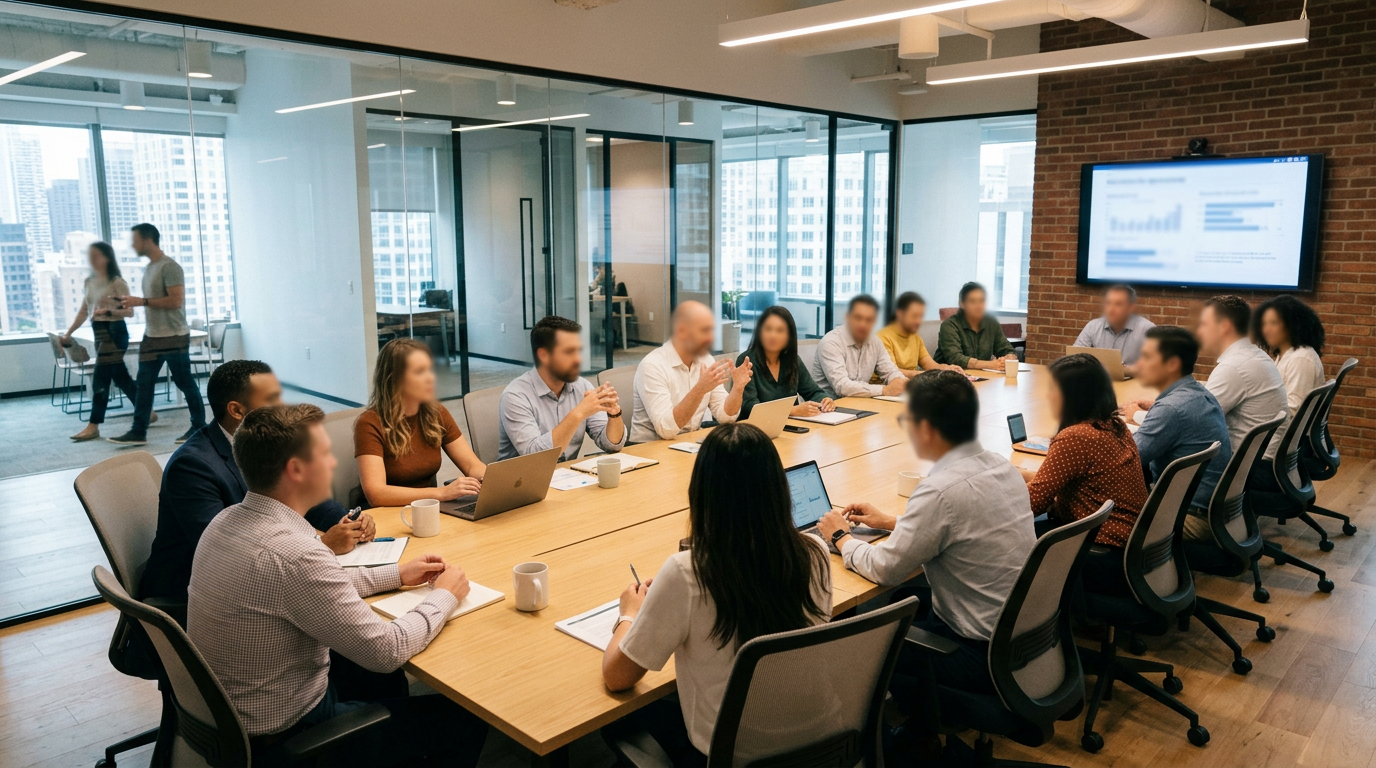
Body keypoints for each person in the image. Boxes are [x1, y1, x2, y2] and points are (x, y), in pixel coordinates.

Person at [188, 404, 487, 766]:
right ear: (296, 470)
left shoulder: (227, 520)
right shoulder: (295, 555)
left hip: (235, 716)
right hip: (290, 736)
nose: (332, 464)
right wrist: (444, 596)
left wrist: (398, 574)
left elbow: (314, 583)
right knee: (467, 714)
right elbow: (387, 651)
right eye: (325, 454)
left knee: (381, 682)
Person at [600, 422, 832, 765]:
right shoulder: (815, 552)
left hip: (731, 756)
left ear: (701, 493)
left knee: (619, 723)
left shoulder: (687, 572)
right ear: (779, 487)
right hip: (819, 743)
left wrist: (628, 614)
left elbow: (617, 677)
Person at [816, 371, 1034, 703]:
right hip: (1019, 639)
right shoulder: (1001, 466)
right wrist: (892, 521)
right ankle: (921, 730)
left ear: (927, 429)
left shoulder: (939, 491)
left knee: (857, 643)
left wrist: (841, 537)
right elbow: (961, 524)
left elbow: (885, 569)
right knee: (899, 602)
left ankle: (884, 737)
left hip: (976, 655)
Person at [140, 359, 372, 603]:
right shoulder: (192, 466)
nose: (282, 407)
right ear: (237, 411)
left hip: (267, 575)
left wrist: (348, 522)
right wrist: (321, 543)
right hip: (198, 597)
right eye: (271, 400)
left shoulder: (272, 443)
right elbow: (224, 552)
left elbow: (311, 498)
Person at [1023, 354, 1147, 562]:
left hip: (1102, 549)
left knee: (1006, 537)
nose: (1048, 396)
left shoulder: (1076, 437)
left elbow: (1032, 504)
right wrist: (1027, 477)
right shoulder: (1115, 426)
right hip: (1132, 543)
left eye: (1053, 389)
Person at [1122, 327, 1233, 541]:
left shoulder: (1171, 409)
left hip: (1188, 517)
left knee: (1086, 505)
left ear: (1172, 364)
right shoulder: (1200, 394)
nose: (1139, 364)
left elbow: (1126, 462)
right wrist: (1155, 410)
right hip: (1212, 512)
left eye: (1146, 357)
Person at [107, 223, 206, 446]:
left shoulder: (170, 267)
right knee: (144, 384)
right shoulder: (149, 268)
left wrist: (141, 302)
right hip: (152, 336)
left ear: (148, 240)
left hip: (173, 335)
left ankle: (199, 426)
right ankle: (138, 431)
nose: (132, 245)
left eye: (135, 240)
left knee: (184, 381)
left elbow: (176, 301)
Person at [355, 338, 486, 507]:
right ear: (394, 379)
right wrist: (442, 493)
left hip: (426, 509)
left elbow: (471, 465)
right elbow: (377, 494)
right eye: (419, 372)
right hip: (385, 514)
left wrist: (488, 480)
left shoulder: (436, 412)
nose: (430, 378)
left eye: (430, 370)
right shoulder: (369, 423)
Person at [498, 315, 626, 461]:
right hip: (523, 480)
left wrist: (614, 414)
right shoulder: (515, 396)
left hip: (567, 477)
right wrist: (578, 413)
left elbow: (612, 445)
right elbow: (536, 458)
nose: (578, 359)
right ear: (544, 355)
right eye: (569, 352)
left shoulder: (582, 385)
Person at [631, 301, 751, 443]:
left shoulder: (706, 359)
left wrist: (737, 389)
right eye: (704, 330)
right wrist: (700, 389)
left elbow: (726, 417)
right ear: (682, 331)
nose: (710, 338)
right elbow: (666, 429)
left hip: (687, 443)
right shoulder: (652, 365)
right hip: (649, 449)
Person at [1193, 296, 1288, 462]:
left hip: (1252, 468)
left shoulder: (1233, 368)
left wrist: (1137, 415)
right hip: (1268, 462)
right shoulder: (1255, 355)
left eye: (1204, 324)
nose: (1199, 331)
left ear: (1224, 327)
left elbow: (1194, 422)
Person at [62, 241, 140, 441]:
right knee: (121, 377)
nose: (92, 259)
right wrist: (69, 333)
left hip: (115, 332)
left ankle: (93, 425)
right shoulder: (89, 282)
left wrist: (108, 311)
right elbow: (84, 311)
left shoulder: (117, 282)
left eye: (95, 255)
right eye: (90, 256)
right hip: (99, 333)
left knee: (101, 379)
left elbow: (129, 311)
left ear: (107, 258)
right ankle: (146, 412)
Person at [1249, 295, 1327, 492]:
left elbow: (1293, 411)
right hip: (1289, 439)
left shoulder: (1301, 358)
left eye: (1274, 323)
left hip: (1295, 446)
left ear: (1293, 324)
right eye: (1264, 323)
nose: (1266, 329)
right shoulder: (1284, 355)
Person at [735, 305, 834, 419]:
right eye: (768, 329)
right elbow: (749, 406)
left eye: (780, 330)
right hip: (755, 430)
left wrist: (825, 400)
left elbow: (813, 392)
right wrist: (792, 410)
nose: (773, 335)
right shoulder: (746, 361)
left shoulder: (793, 360)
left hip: (790, 426)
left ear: (789, 336)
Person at [806, 294, 906, 399]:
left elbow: (890, 371)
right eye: (858, 318)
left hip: (858, 403)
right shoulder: (831, 342)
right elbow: (842, 386)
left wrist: (898, 382)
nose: (863, 324)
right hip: (827, 406)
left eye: (869, 320)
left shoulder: (875, 342)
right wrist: (884, 390)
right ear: (847, 317)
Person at [875, 291, 964, 380]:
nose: (918, 321)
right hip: (885, 385)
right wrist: (925, 374)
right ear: (900, 314)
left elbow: (930, 365)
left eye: (920, 316)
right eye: (914, 316)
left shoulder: (915, 338)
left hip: (909, 383)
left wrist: (947, 369)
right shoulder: (883, 338)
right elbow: (891, 371)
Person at [1073, 283, 1156, 374]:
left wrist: (1128, 370)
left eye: (1118, 304)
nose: (1111, 309)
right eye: (1108, 303)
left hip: (1134, 384)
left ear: (1131, 308)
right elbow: (1074, 358)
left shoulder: (1147, 330)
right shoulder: (1093, 326)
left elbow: (1157, 366)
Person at [933, 282, 1018, 368]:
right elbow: (955, 358)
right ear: (962, 304)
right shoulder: (950, 325)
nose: (978, 306)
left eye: (982, 301)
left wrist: (1009, 357)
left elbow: (1005, 348)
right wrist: (990, 364)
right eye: (972, 301)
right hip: (948, 377)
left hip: (981, 376)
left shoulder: (991, 323)